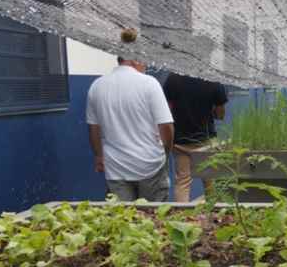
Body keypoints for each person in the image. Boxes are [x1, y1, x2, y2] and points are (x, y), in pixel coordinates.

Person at [86, 56, 174, 201]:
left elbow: (93, 128)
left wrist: (99, 156)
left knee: (122, 214)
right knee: (153, 213)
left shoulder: (97, 86)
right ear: (134, 59)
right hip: (150, 164)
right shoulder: (149, 83)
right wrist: (166, 152)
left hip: (115, 168)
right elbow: (166, 125)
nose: (146, 65)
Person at [163, 72, 228, 202]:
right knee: (210, 182)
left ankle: (181, 214)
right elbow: (220, 114)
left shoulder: (173, 78)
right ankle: (213, 213)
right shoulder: (212, 78)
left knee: (183, 181)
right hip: (206, 141)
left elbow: (166, 111)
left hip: (181, 141)